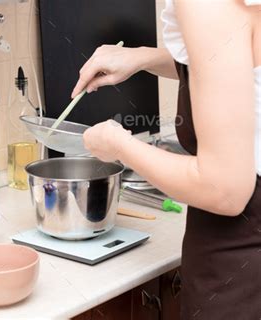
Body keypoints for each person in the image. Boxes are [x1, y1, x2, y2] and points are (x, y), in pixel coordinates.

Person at [72, 0, 261, 318]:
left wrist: (119, 146)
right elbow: (236, 57)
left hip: (240, 255)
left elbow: (224, 190)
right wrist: (142, 57)